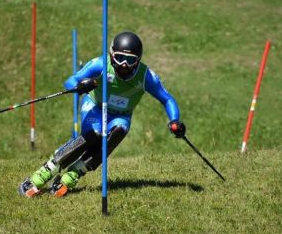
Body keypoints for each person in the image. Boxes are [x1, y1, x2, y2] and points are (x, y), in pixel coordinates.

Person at [19, 31, 186, 198]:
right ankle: (44, 172)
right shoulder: (100, 64)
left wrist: (174, 120)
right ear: (112, 55)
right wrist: (80, 85)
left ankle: (73, 174)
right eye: (120, 58)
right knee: (92, 135)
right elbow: (72, 80)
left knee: (117, 132)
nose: (124, 65)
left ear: (139, 60)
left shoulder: (146, 76)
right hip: (95, 106)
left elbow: (167, 99)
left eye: (131, 60)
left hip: (121, 115)